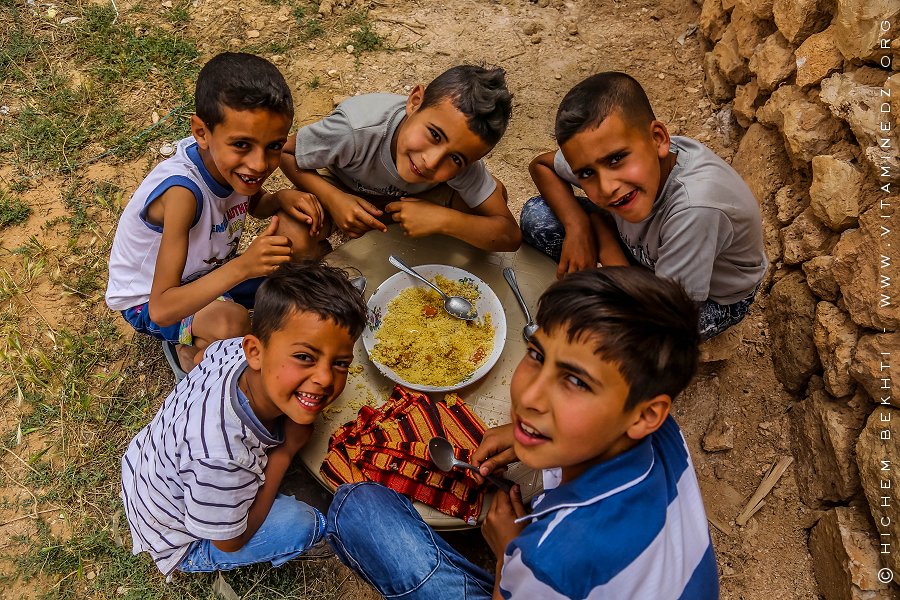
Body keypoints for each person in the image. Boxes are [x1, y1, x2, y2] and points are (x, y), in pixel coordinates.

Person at [326, 267, 720, 599]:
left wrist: (508, 554)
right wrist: (521, 434)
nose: (529, 396)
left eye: (577, 382)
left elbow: (550, 566)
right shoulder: (665, 434)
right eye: (536, 355)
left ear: (645, 414)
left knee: (358, 511)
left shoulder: (548, 561)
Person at [120, 261, 367, 579]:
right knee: (303, 523)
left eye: (341, 362)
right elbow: (229, 541)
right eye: (305, 357)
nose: (323, 378)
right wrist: (285, 452)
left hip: (148, 463)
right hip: (182, 537)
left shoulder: (231, 350)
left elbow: (202, 359)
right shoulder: (222, 455)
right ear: (255, 351)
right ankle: (191, 562)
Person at [106, 52, 326, 375]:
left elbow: (253, 203)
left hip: (210, 276)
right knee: (231, 321)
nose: (259, 164)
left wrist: (280, 199)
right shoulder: (183, 194)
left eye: (274, 146)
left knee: (302, 240)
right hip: (151, 300)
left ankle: (213, 327)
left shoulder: (230, 163)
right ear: (201, 132)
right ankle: (190, 353)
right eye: (242, 145)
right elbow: (162, 308)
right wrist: (244, 267)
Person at [523, 71, 766, 340]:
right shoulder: (614, 158)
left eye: (616, 159)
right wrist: (577, 225)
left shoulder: (696, 209)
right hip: (651, 260)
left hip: (708, 299)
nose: (606, 188)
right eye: (587, 174)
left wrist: (604, 239)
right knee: (537, 216)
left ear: (659, 138)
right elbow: (541, 165)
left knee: (624, 335)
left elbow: (660, 314)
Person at [279, 65, 522, 252]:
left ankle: (438, 257)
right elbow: (285, 151)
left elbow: (509, 234)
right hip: (345, 184)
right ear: (415, 102)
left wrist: (444, 220)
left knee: (491, 196)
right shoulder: (356, 129)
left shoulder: (465, 164)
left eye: (456, 159)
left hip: (417, 201)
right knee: (292, 234)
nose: (432, 161)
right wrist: (334, 199)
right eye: (435, 135)